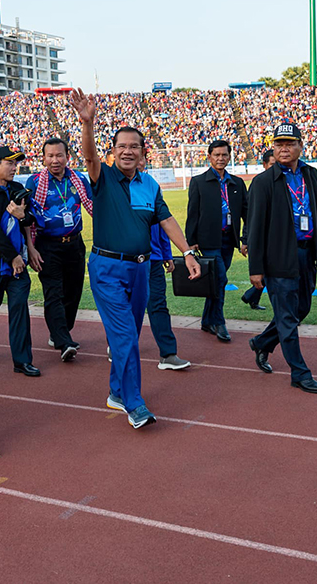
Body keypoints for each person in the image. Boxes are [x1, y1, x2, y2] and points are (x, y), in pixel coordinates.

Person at [69, 88, 200, 429]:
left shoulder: (151, 186)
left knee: (127, 334)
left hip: (142, 268)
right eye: (121, 147)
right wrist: (88, 123)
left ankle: (116, 390)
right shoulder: (102, 177)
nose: (128, 152)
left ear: (144, 153)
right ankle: (134, 403)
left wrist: (186, 252)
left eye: (134, 147)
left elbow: (167, 220)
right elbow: (89, 158)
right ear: (113, 153)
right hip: (107, 268)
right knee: (126, 336)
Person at [247, 124, 317, 394]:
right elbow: (255, 228)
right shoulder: (263, 182)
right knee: (286, 317)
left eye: (289, 143)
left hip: (307, 254)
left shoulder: (311, 175)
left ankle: (262, 341)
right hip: (278, 257)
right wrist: (256, 269)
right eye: (278, 144)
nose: (283, 148)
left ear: (300, 146)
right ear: (273, 147)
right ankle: (300, 372)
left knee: (301, 309)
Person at [25, 138, 93, 362]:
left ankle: (59, 331)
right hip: (47, 245)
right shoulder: (34, 182)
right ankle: (64, 341)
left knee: (73, 292)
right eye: (50, 156)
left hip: (74, 244)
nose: (55, 160)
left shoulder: (79, 179)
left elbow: (94, 206)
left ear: (67, 157)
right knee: (53, 292)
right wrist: (31, 248)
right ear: (43, 158)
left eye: (59, 155)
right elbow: (26, 218)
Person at [0, 146, 38, 377]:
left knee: (19, 310)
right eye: (10, 163)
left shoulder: (18, 189)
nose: (15, 167)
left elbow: (30, 220)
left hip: (18, 264)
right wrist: (12, 257)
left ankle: (22, 361)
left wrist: (23, 217)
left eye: (16, 163)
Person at [186, 140, 249, 342]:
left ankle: (206, 320)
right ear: (209, 157)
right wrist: (191, 240)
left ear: (229, 157)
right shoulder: (198, 182)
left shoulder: (237, 183)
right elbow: (192, 213)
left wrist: (245, 239)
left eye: (224, 155)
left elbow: (247, 213)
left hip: (228, 240)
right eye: (217, 155)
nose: (221, 158)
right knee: (220, 279)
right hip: (207, 240)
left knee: (215, 282)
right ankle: (219, 322)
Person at [139, 157, 191, 371]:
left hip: (154, 259)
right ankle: (117, 346)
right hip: (127, 261)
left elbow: (164, 222)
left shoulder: (151, 186)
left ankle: (168, 354)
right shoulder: (114, 187)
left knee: (158, 304)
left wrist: (168, 254)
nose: (137, 162)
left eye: (141, 157)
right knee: (127, 307)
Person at [240, 149, 274, 311]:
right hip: (262, 239)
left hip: (275, 239)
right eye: (273, 164)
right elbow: (250, 216)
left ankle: (251, 296)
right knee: (271, 273)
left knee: (271, 272)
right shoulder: (259, 183)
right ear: (265, 165)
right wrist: (246, 240)